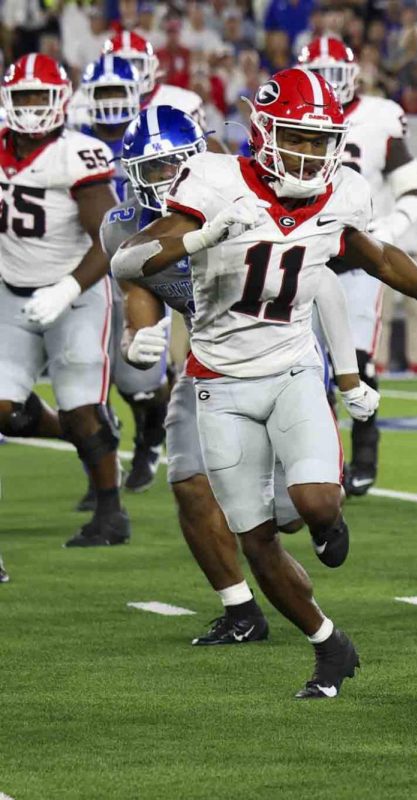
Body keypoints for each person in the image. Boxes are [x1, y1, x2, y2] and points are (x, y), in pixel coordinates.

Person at [110, 67, 417, 697]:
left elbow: (378, 261)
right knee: (254, 540)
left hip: (293, 368)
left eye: (318, 140)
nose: (308, 153)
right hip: (217, 381)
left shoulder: (341, 194)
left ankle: (329, 521)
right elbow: (127, 260)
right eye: (296, 138)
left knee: (315, 504)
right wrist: (199, 236)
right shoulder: (213, 181)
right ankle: (329, 645)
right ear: (265, 133)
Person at [108, 104, 365, 646]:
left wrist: (347, 377)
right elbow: (139, 293)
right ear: (132, 176)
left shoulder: (237, 193)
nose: (168, 180)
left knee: (295, 512)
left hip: (282, 356)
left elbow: (325, 285)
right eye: (154, 170)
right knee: (188, 482)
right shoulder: (125, 228)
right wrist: (137, 345)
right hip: (209, 365)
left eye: (177, 165)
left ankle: (320, 521)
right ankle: (240, 608)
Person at [0, 54, 128, 548]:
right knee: (4, 405)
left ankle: (110, 511)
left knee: (79, 407)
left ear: (61, 100)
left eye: (40, 96)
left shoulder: (78, 153)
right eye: (23, 97)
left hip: (76, 291)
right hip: (12, 290)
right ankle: (86, 436)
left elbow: (109, 237)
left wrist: (69, 288)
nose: (31, 108)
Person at [298, 35, 417, 495]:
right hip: (303, 257)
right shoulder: (288, 114)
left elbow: (415, 192)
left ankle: (365, 453)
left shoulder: (378, 117)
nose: (327, 88)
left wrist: (382, 238)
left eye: (334, 76)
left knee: (354, 360)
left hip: (355, 263)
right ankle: (317, 460)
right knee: (304, 369)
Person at [72, 54, 172, 496]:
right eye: (104, 92)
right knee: (85, 377)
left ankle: (151, 433)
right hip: (91, 269)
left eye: (119, 91)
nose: (112, 101)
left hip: (143, 268)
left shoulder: (155, 134)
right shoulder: (71, 142)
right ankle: (101, 473)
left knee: (139, 381)